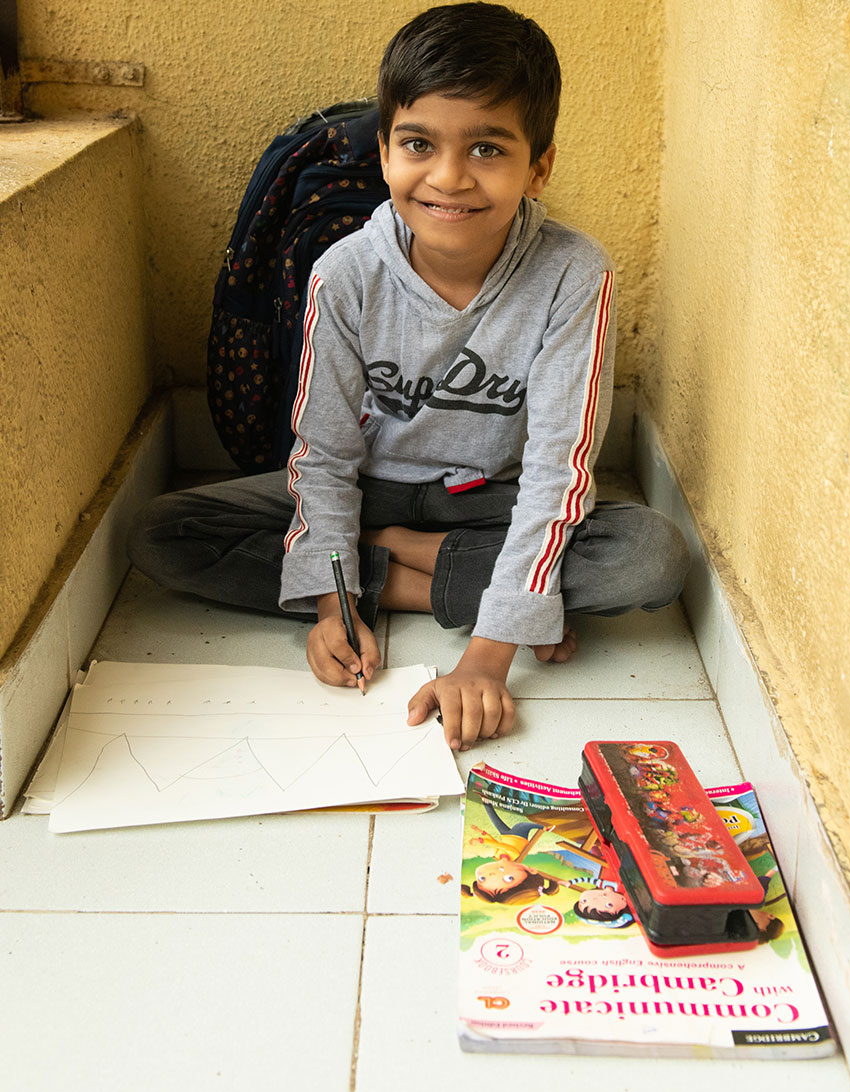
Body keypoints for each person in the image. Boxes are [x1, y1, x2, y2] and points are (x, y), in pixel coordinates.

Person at [127, 2, 689, 751]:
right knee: (166, 532)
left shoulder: (573, 274)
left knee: (651, 557)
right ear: (385, 152)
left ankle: (406, 560)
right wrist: (333, 603)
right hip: (370, 489)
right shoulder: (347, 273)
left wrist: (487, 661)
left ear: (540, 164)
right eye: (418, 144)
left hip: (495, 498)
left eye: (488, 149)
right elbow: (323, 457)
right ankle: (426, 581)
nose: (449, 178)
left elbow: (560, 472)